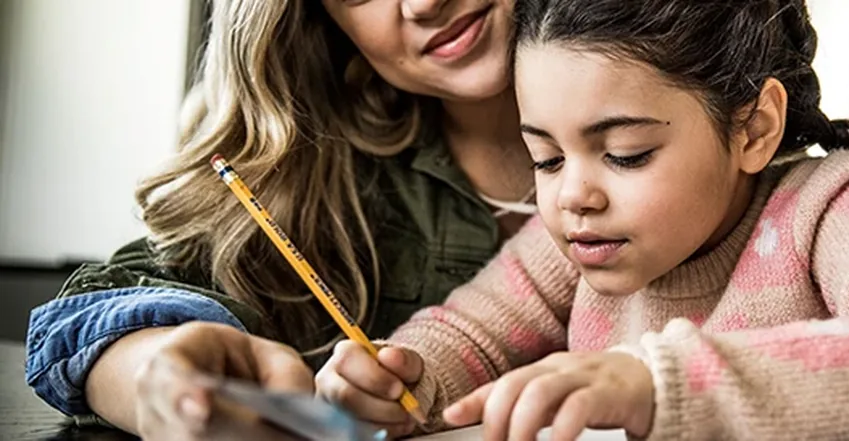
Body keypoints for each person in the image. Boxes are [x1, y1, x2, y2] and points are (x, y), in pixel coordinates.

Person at [315, 0, 849, 439]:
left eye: (627, 153)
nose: (574, 194)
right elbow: (466, 332)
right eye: (544, 158)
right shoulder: (574, 240)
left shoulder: (835, 206)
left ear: (754, 127)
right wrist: (403, 376)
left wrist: (661, 385)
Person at [24, 0, 536, 439]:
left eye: (621, 154)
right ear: (323, 20)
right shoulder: (321, 182)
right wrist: (163, 382)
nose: (423, 4)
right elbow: (84, 316)